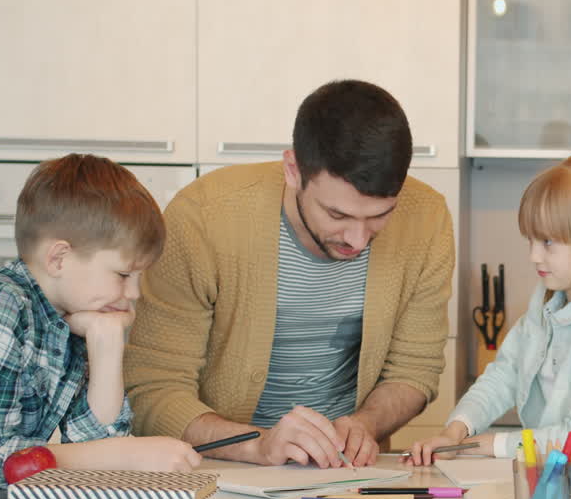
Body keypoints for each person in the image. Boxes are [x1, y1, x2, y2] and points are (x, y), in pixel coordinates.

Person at [124, 80, 454, 468]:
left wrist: (366, 424)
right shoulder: (202, 219)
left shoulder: (427, 220)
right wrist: (256, 446)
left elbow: (414, 369)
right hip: (220, 468)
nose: (358, 239)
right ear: (293, 170)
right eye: (337, 215)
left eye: (380, 216)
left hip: (345, 474)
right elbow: (154, 387)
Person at [0, 154, 200, 499]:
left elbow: (87, 445)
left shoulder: (73, 320)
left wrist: (106, 349)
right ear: (58, 258)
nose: (134, 294)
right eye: (122, 275)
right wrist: (125, 455)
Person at [409, 153, 571, 465]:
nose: (534, 255)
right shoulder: (549, 303)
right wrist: (457, 428)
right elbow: (505, 375)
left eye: (548, 242)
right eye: (531, 240)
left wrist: (496, 445)